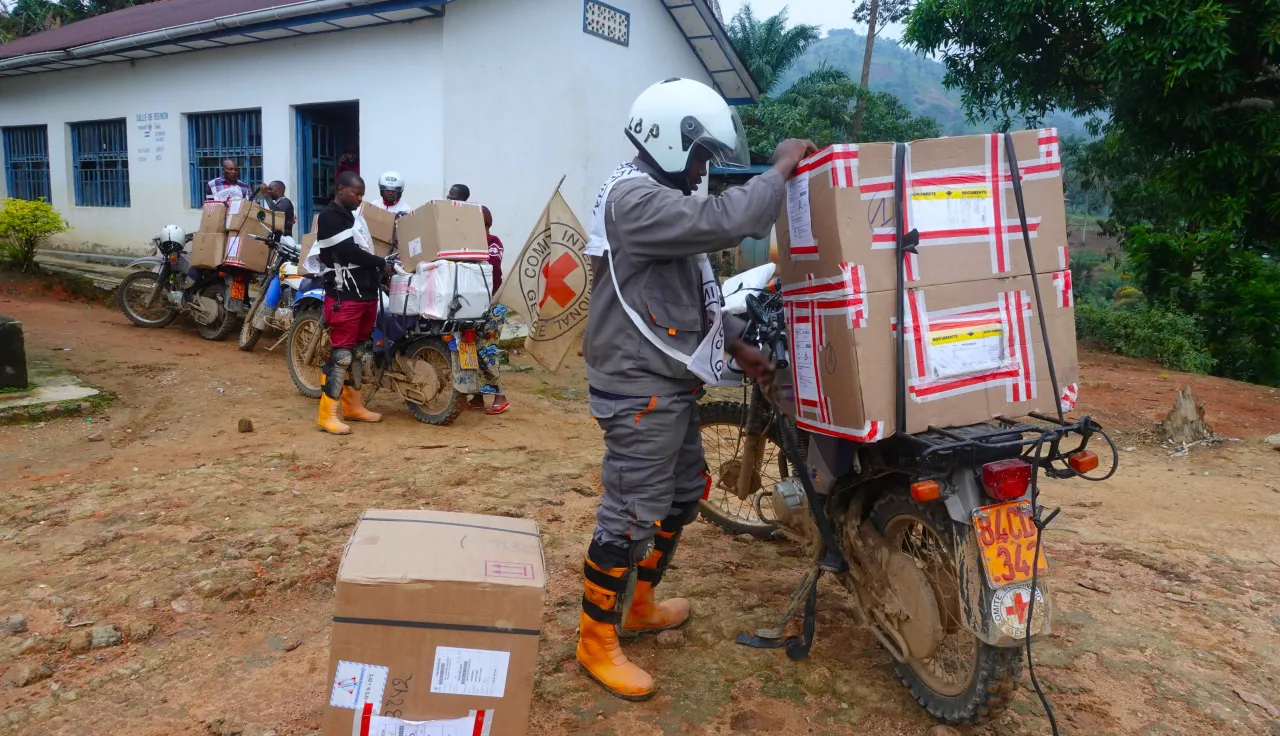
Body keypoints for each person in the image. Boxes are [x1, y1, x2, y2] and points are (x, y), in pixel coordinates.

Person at [575, 77, 815, 701]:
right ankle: (594, 638)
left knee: (683, 494)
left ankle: (639, 603)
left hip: (667, 378)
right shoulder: (635, 200)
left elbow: (686, 299)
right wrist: (782, 167)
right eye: (703, 154)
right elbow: (727, 222)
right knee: (630, 513)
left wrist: (741, 346)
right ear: (670, 138)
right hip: (636, 385)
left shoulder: (658, 198)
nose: (706, 169)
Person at [314, 171, 391, 435]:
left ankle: (353, 407)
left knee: (358, 352)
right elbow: (347, 252)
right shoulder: (329, 217)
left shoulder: (352, 218)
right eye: (355, 193)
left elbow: (362, 251)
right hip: (344, 295)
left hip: (365, 293)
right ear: (340, 189)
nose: (359, 198)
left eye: (361, 194)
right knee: (342, 355)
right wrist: (380, 263)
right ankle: (327, 415)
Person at [468, 205, 510, 415]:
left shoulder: (493, 243)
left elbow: (493, 264)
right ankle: (476, 397)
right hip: (471, 304)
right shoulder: (465, 244)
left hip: (493, 302)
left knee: (486, 350)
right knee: (469, 349)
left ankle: (500, 396)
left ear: (486, 225)